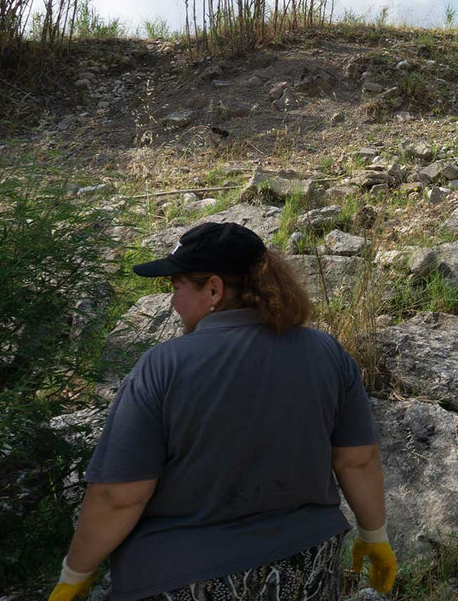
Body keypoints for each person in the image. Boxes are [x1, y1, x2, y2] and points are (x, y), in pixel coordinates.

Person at [48, 222, 395, 601]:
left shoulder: (163, 365)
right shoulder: (325, 351)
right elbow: (358, 460)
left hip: (181, 575)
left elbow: (120, 496)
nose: (172, 301)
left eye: (177, 286)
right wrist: (374, 535)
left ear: (213, 289)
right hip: (307, 568)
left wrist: (75, 573)